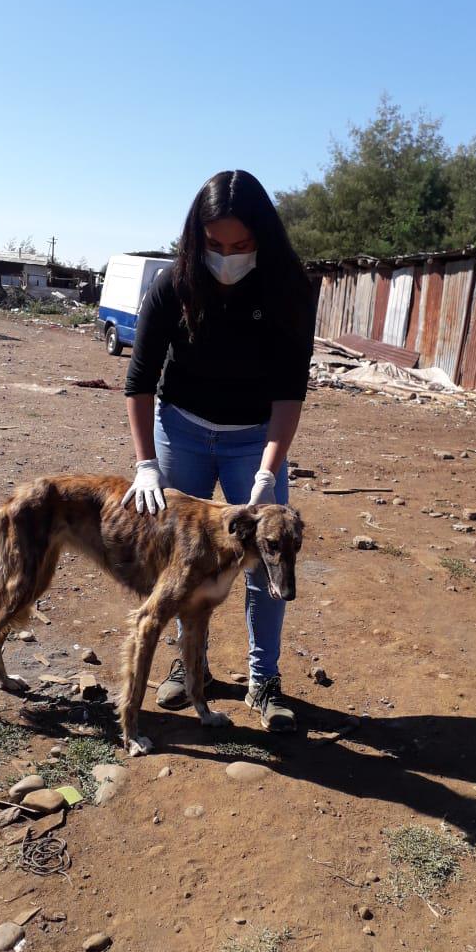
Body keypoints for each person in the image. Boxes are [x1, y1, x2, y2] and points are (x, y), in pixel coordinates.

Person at [122, 169, 315, 731]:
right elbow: (138, 379)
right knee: (182, 560)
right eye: (215, 245)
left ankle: (264, 679)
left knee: (270, 557)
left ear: (264, 237)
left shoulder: (289, 291)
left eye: (242, 245)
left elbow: (289, 392)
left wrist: (267, 471)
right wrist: (145, 463)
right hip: (179, 430)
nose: (228, 257)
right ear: (195, 237)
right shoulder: (173, 286)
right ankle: (190, 667)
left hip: (253, 438)